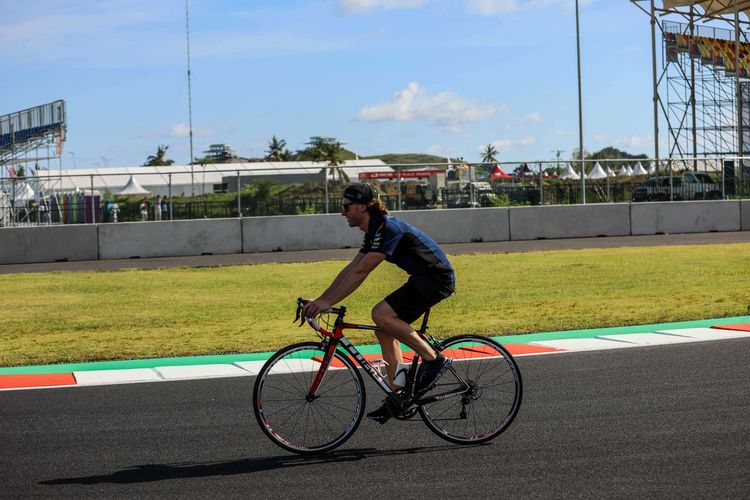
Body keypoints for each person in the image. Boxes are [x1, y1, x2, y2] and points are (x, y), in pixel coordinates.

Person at [302, 183, 455, 424]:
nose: (343, 212)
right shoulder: (374, 230)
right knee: (385, 331)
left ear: (363, 206)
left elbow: (362, 272)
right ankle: (399, 395)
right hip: (422, 278)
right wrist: (322, 299)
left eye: (346, 206)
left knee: (381, 314)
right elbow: (350, 269)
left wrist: (326, 302)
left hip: (436, 279)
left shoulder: (386, 228)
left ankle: (434, 360)